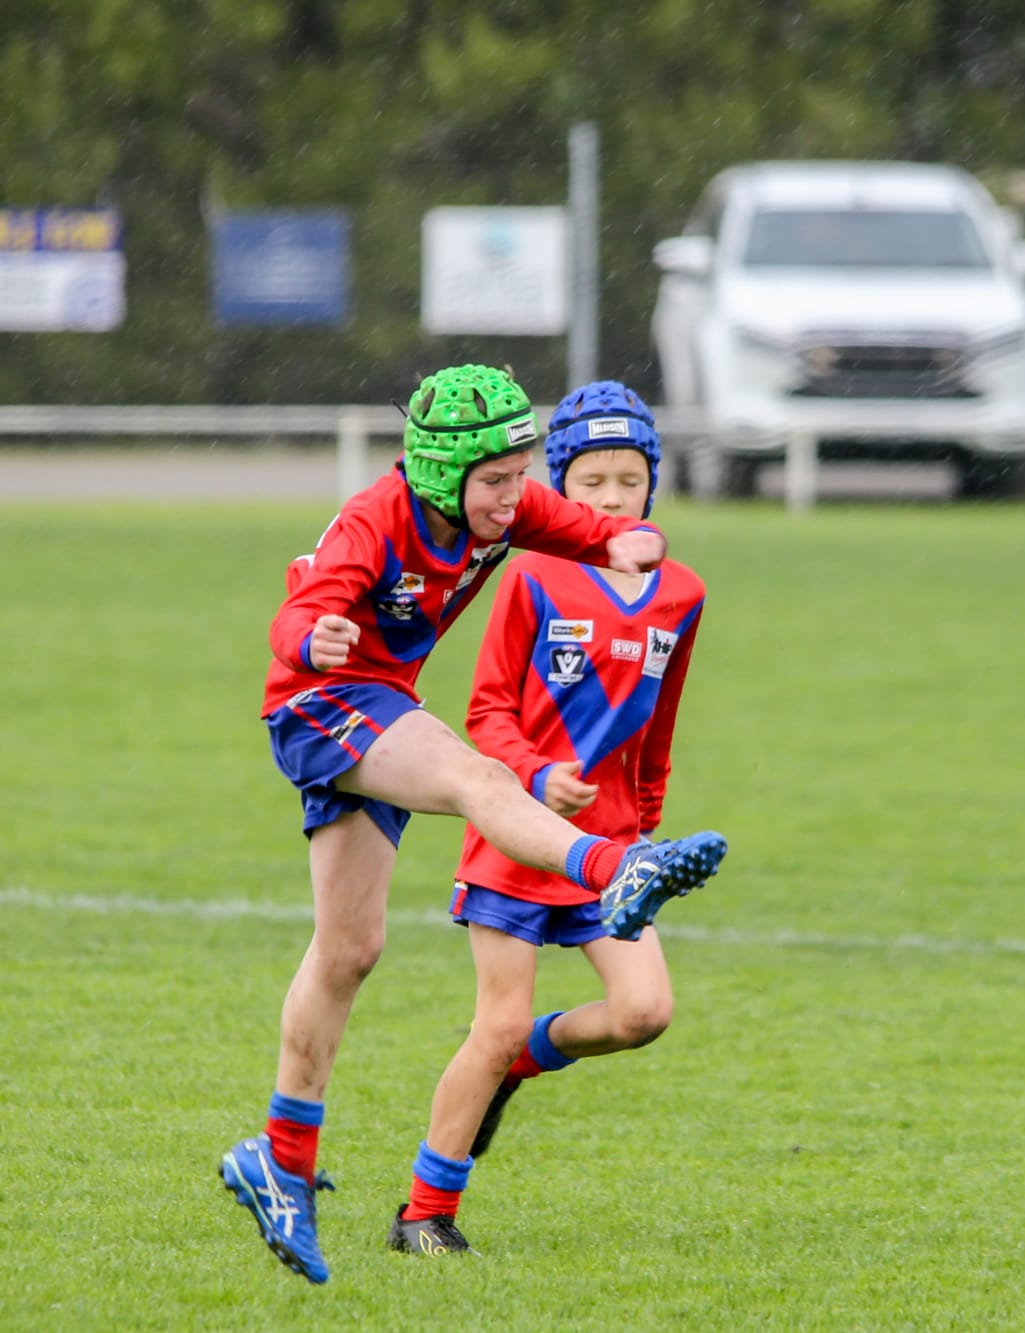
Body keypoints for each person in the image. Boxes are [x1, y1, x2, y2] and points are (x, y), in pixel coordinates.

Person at [218, 364, 728, 1284]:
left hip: (376, 708)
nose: (513, 496)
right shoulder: (380, 517)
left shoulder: (499, 508)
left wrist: (624, 537)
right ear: (440, 471)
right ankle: (612, 866)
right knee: (477, 774)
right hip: (325, 702)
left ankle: (279, 1157)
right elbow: (301, 608)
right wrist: (311, 638)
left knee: (349, 949)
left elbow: (578, 525)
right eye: (496, 481)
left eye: (521, 473)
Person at [387, 381, 712, 1257]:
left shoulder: (681, 593)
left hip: (612, 850)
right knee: (489, 1024)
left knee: (644, 1011)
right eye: (592, 480)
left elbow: (660, 724)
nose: (612, 498)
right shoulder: (531, 573)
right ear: (558, 486)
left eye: (630, 479)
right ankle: (424, 1214)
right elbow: (486, 714)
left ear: (653, 482)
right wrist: (538, 776)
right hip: (519, 839)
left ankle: (521, 1059)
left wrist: (643, 823)